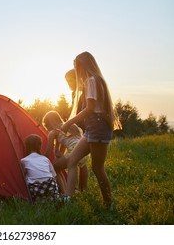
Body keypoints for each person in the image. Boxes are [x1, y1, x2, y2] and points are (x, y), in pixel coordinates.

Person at [61, 51, 120, 207]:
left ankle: (108, 204)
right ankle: (68, 199)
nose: (77, 71)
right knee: (72, 160)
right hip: (92, 128)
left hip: (98, 126)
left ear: (82, 66)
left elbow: (89, 109)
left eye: (77, 67)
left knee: (97, 168)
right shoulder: (94, 80)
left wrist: (69, 123)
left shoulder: (92, 81)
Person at [42, 110, 89, 193]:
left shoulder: (53, 133)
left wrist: (39, 159)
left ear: (48, 124)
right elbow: (64, 144)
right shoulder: (71, 126)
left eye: (47, 127)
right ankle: (83, 190)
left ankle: (65, 192)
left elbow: (48, 152)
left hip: (73, 150)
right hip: (84, 149)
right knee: (82, 165)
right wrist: (57, 152)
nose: (47, 129)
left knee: (54, 169)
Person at [20, 134, 60, 202]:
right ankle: (53, 198)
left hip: (35, 190)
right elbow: (54, 176)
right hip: (51, 187)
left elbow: (21, 178)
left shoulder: (24, 161)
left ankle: (39, 200)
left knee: (26, 176)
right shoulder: (45, 159)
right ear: (40, 146)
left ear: (26, 146)